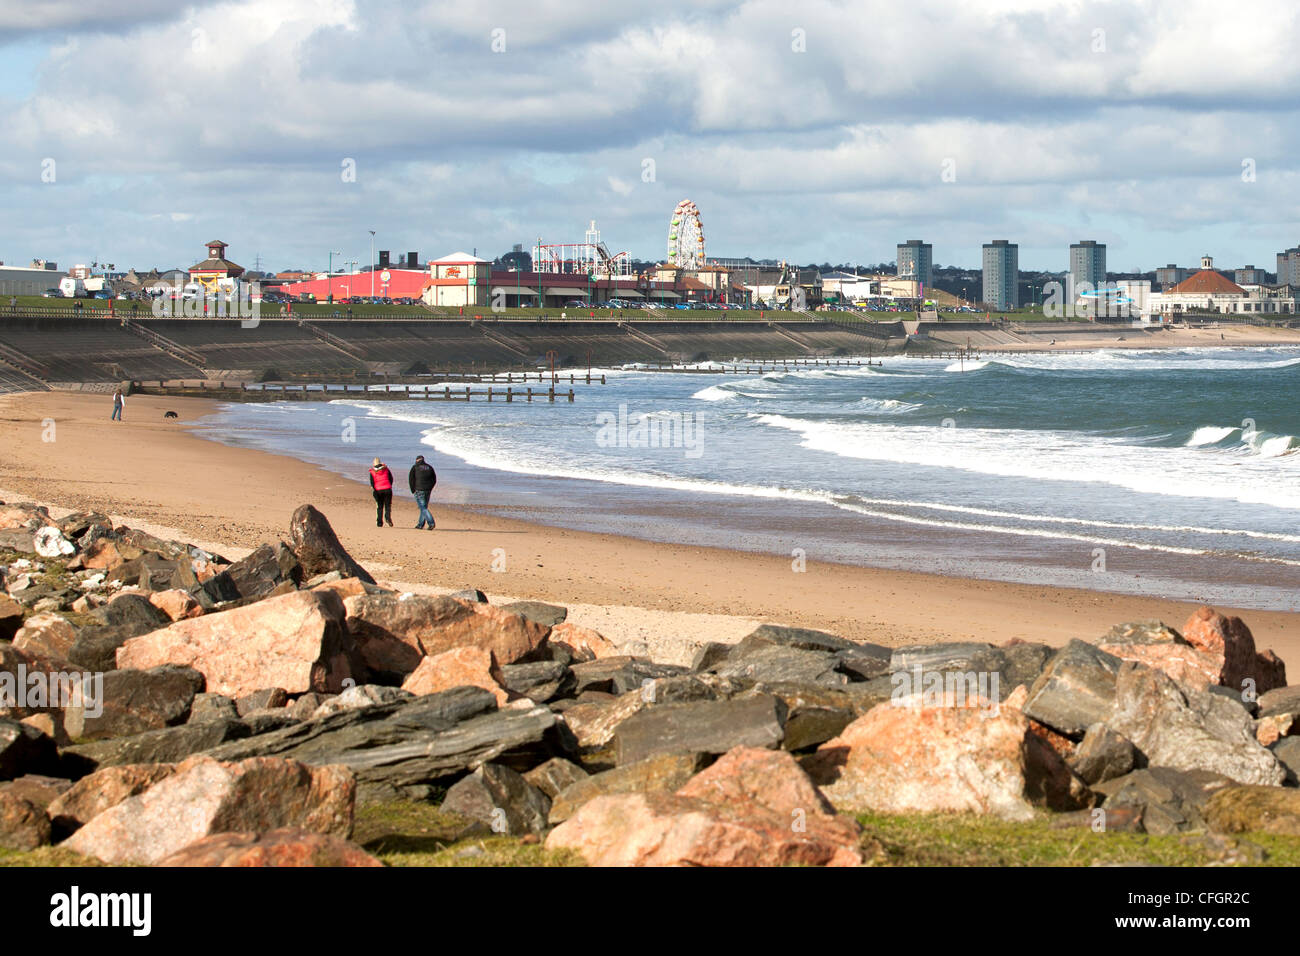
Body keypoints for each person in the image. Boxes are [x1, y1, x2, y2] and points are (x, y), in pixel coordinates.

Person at [409, 454, 437, 530]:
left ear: (417, 460)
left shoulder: (415, 467)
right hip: (427, 490)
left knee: (423, 507)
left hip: (419, 490)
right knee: (424, 507)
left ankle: (431, 523)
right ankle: (420, 524)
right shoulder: (429, 467)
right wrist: (430, 487)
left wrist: (413, 490)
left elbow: (411, 479)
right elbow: (434, 479)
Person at [368, 457, 394, 527]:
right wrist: (389, 485)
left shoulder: (372, 471)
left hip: (378, 490)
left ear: (374, 463)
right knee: (388, 505)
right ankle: (388, 518)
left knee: (379, 507)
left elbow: (372, 483)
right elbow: (391, 478)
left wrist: (374, 489)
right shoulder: (386, 469)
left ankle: (379, 522)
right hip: (387, 489)